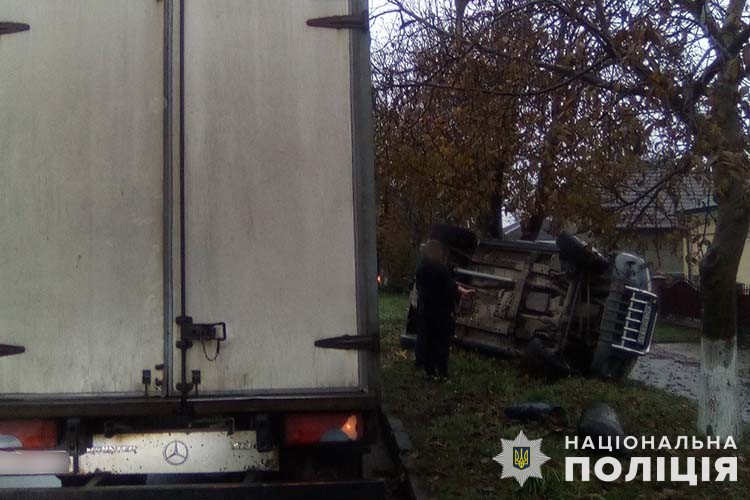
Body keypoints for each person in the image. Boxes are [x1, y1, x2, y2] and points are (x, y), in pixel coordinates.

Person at [415, 240, 474, 378]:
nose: (442, 254)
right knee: (442, 343)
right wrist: (458, 300)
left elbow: (421, 288)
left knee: (428, 341)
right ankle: (442, 372)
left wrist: (462, 291)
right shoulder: (441, 269)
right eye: (440, 251)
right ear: (435, 252)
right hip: (441, 313)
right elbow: (449, 287)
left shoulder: (421, 268)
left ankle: (429, 371)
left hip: (426, 311)